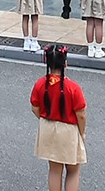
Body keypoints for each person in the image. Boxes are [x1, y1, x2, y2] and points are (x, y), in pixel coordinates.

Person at [32, 44, 87, 191]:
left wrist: (44, 119)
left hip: (48, 127)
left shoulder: (40, 84)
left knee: (55, 170)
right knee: (73, 170)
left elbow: (35, 107)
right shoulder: (73, 88)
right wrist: (82, 133)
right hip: (68, 130)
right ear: (65, 63)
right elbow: (81, 115)